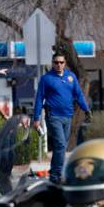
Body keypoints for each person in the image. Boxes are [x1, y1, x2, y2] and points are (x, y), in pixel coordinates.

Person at [33, 54, 90, 185]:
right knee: (60, 145)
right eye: (56, 62)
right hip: (53, 116)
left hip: (67, 116)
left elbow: (78, 94)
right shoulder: (46, 79)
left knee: (61, 148)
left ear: (65, 63)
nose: (59, 65)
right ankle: (59, 174)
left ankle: (54, 174)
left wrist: (86, 109)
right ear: (52, 63)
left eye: (61, 62)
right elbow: (39, 98)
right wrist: (36, 118)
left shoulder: (71, 77)